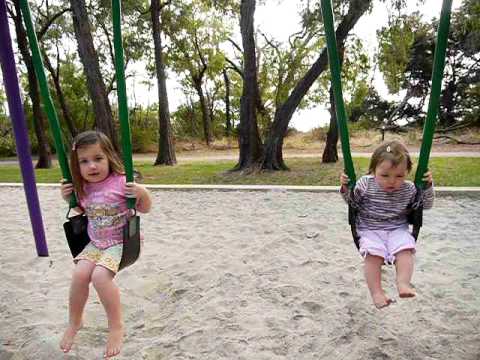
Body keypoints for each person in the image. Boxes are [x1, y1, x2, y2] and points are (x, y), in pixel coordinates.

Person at [59, 130, 152, 357]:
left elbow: (146, 208)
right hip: (96, 242)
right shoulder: (82, 187)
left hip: (121, 242)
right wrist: (67, 197)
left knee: (100, 277)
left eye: (98, 158)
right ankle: (75, 321)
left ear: (109, 157)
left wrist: (142, 192)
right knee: (80, 275)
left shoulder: (121, 183)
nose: (92, 166)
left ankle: (116, 326)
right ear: (77, 165)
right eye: (84, 161)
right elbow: (81, 211)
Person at [340, 140, 434, 309]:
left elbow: (425, 205)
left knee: (405, 250)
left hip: (397, 228)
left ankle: (403, 284)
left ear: (406, 172)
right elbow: (351, 203)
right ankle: (377, 293)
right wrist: (346, 188)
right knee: (373, 256)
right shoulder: (365, 184)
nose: (392, 181)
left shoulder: (409, 189)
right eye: (385, 175)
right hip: (369, 229)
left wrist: (427, 187)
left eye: (399, 176)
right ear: (373, 171)